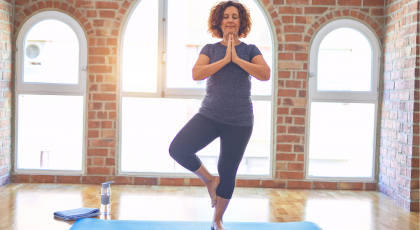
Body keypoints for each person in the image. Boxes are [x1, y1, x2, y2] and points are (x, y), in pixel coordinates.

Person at [169, 1, 270, 229]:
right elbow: (197, 73)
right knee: (178, 149)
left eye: (235, 16)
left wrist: (237, 59)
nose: (231, 20)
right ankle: (209, 179)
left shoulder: (251, 49)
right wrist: (225, 59)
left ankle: (217, 219)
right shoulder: (210, 49)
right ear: (219, 21)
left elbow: (265, 74)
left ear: (241, 21)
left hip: (240, 120)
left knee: (228, 170)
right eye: (226, 16)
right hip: (210, 115)